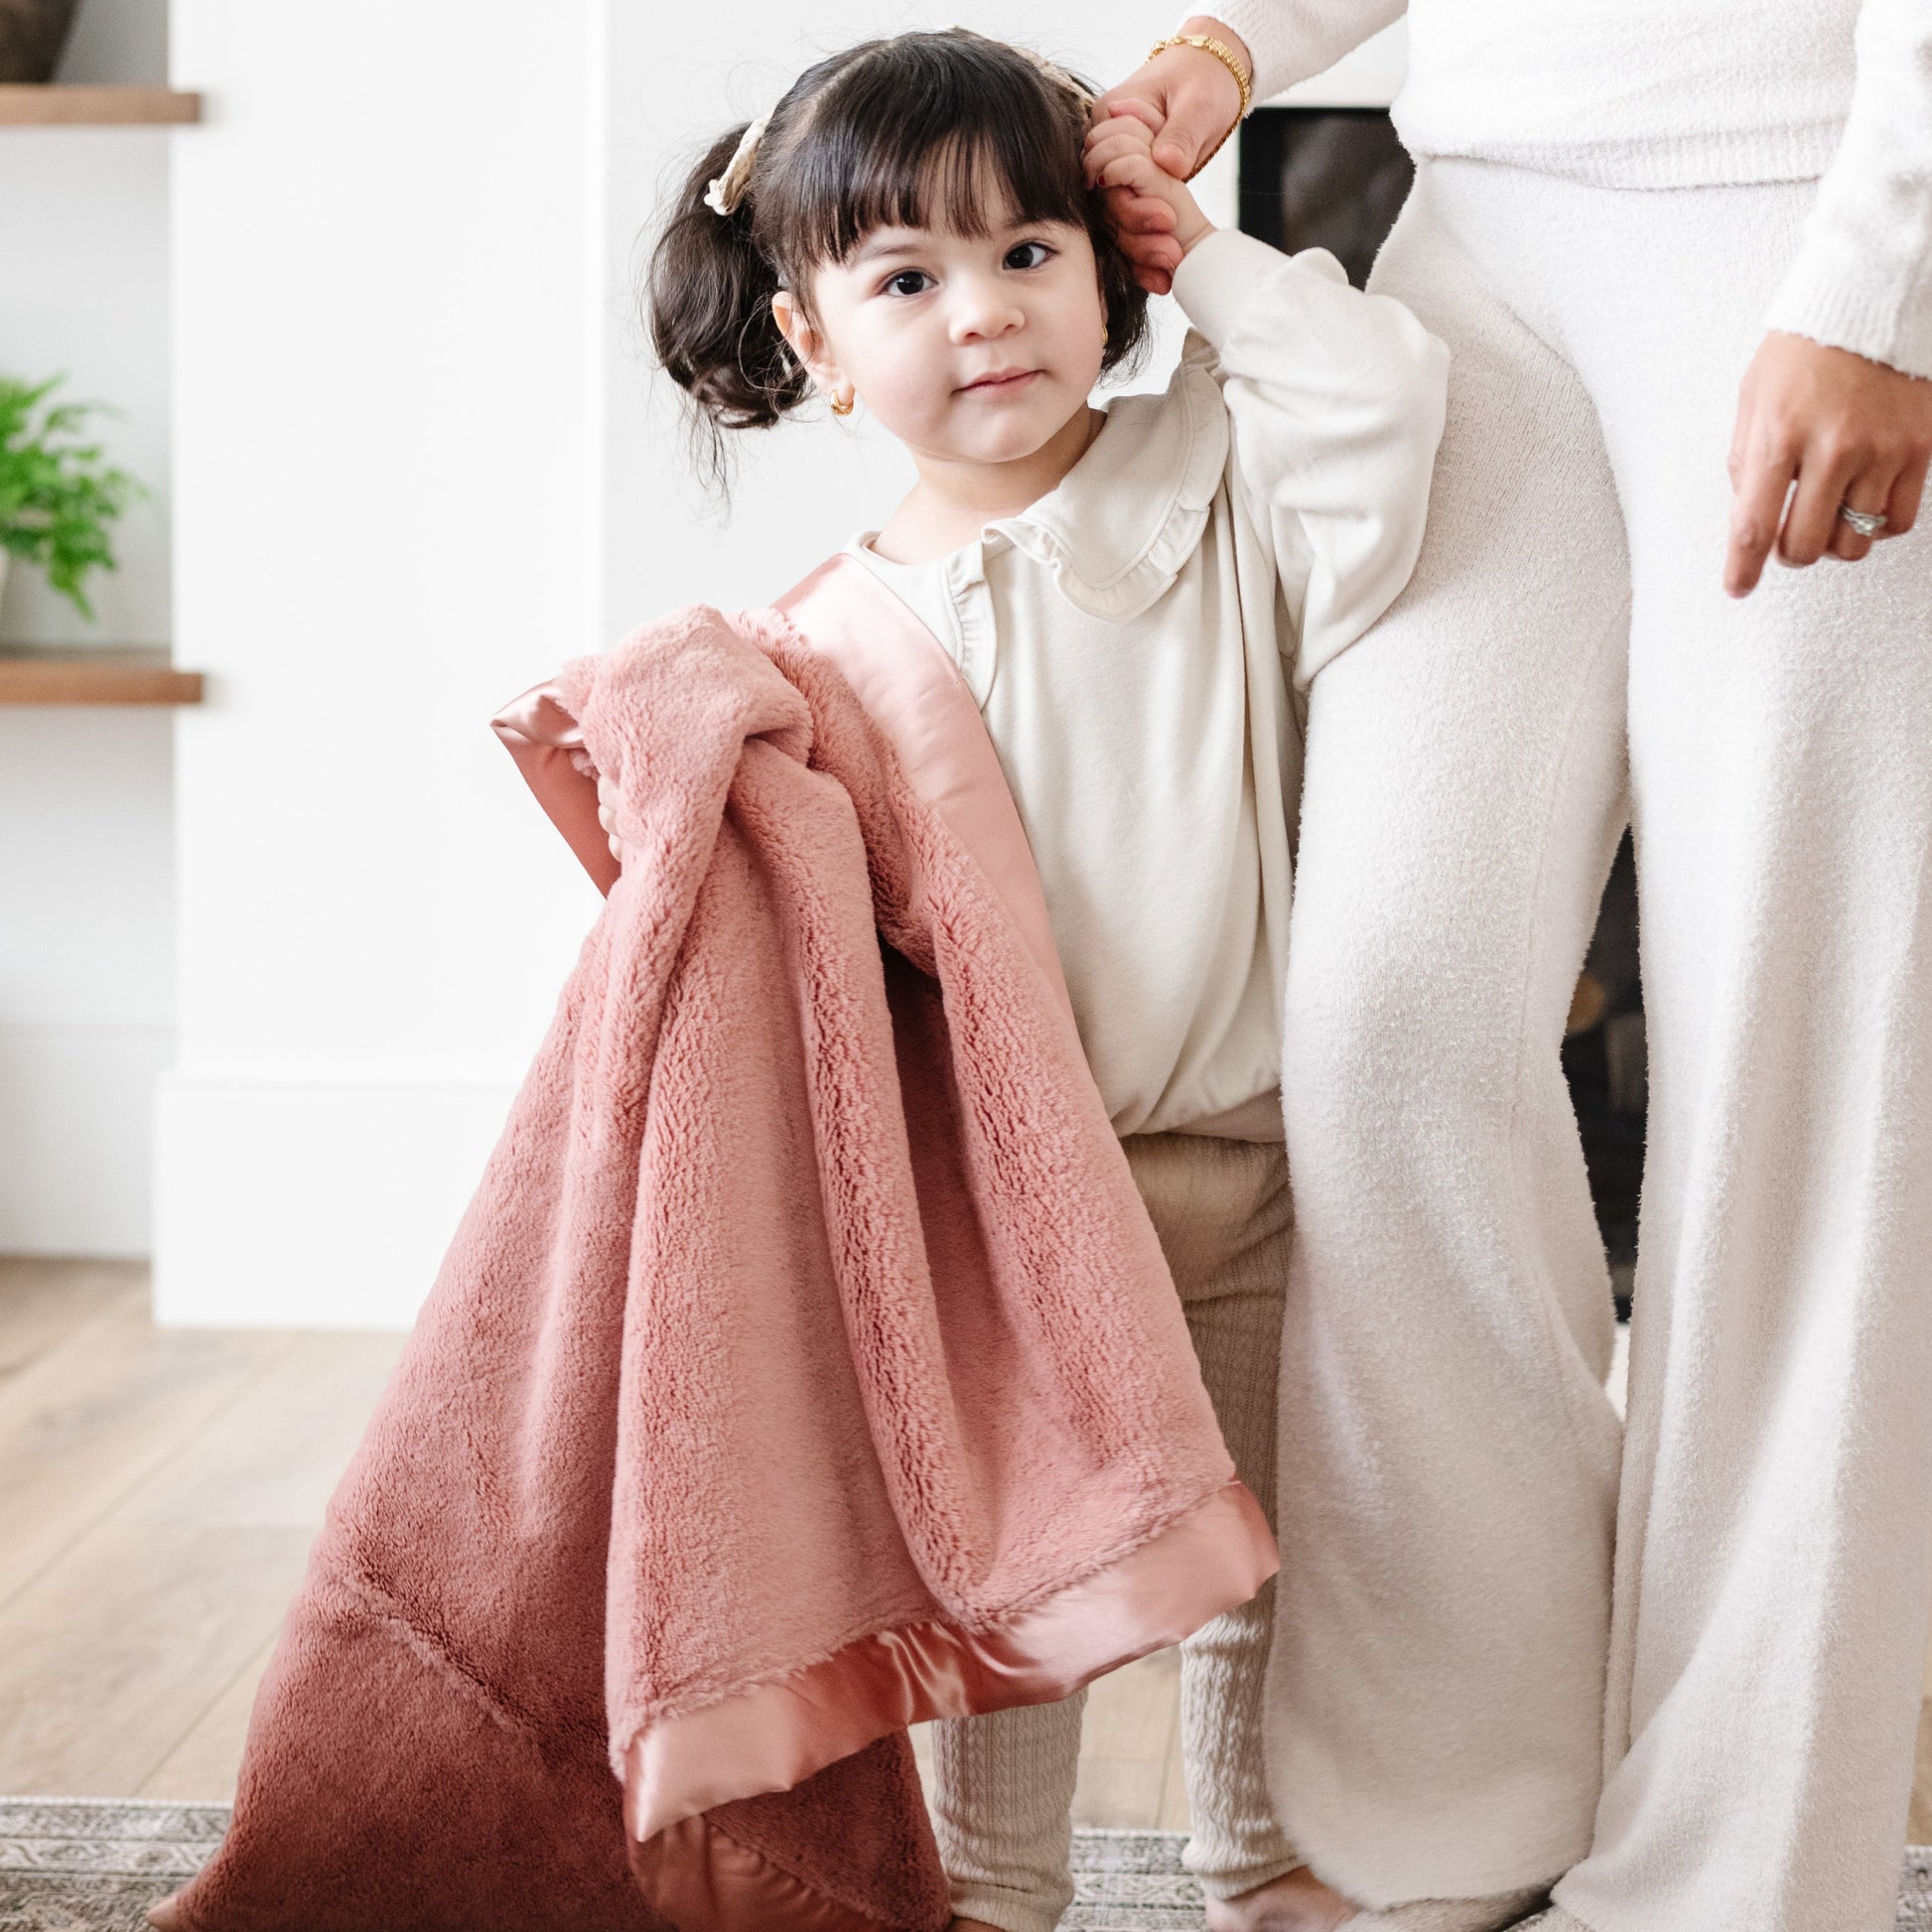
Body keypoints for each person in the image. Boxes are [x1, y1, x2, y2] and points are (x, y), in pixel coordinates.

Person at [1090, 9, 1932, 1932]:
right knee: (1385, 1007)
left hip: (1800, 216)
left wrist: (1887, 284)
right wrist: (1228, 48)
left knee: (1796, 1052)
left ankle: (1735, 1872)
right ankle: (1452, 1801)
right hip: (1476, 225)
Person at [645, 28, 1448, 1932]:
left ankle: (1262, 1853)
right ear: (815, 340)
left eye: (1032, 252)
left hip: (1238, 1160)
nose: (985, 313)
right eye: (908, 278)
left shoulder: (1212, 484)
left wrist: (1211, 248)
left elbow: (1387, 402)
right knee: (1015, 1571)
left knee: (1259, 1547)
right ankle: (994, 1888)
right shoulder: (823, 644)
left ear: (1111, 268)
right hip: (994, 1214)